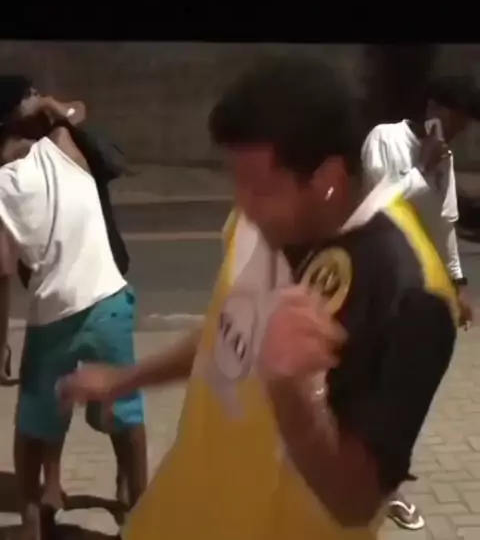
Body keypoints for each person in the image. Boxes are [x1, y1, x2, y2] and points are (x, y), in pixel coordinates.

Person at [60, 57, 458, 540]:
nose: (243, 204)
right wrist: (128, 378)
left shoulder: (409, 291)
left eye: (260, 187)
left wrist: (292, 390)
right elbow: (225, 329)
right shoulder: (256, 221)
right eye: (237, 181)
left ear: (328, 178)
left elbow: (355, 502)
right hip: (179, 511)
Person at [0, 76, 147, 540]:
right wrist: (47, 104)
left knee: (35, 422)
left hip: (53, 316)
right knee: (125, 411)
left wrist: (2, 342)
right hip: (109, 300)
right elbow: (73, 112)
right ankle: (140, 511)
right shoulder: (62, 144)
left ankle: (32, 525)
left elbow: (3, 276)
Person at [361, 72, 479, 531]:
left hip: (421, 294)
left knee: (406, 394)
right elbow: (377, 209)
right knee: (370, 385)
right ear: (432, 110)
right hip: (378, 285)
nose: (456, 134)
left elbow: (444, 226)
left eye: (463, 127)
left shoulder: (444, 159)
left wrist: (458, 282)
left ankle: (387, 479)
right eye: (454, 122)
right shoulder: (385, 139)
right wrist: (422, 168)